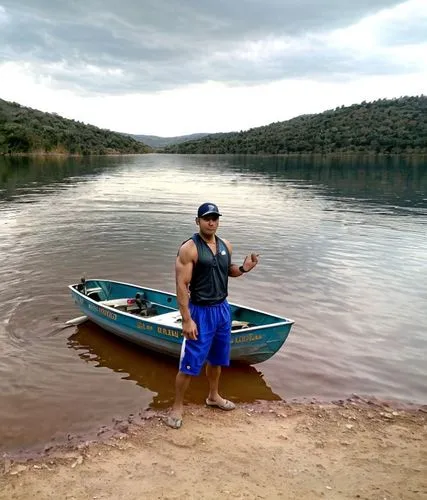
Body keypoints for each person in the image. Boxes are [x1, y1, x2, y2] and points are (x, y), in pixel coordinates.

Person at [166, 202, 259, 429]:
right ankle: (177, 406)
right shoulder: (189, 249)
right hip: (200, 311)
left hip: (222, 310)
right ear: (197, 221)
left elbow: (229, 271)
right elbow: (181, 285)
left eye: (215, 218)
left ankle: (213, 396)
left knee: (218, 359)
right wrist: (187, 319)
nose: (211, 222)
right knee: (189, 363)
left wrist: (245, 268)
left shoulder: (226, 244)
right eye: (207, 218)